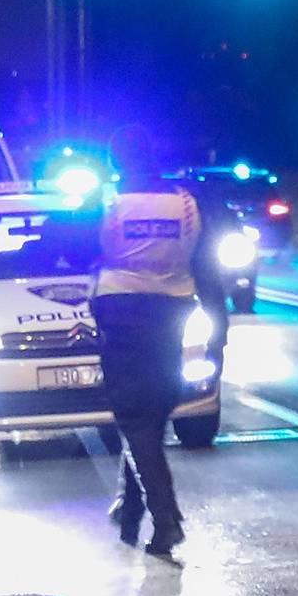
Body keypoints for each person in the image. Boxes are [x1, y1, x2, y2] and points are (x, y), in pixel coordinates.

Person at [90, 145, 217, 556]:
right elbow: (203, 259)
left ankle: (166, 519)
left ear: (116, 162)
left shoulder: (110, 202)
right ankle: (130, 509)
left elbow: (81, 248)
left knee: (134, 414)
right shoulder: (184, 203)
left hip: (122, 309)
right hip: (172, 309)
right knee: (153, 409)